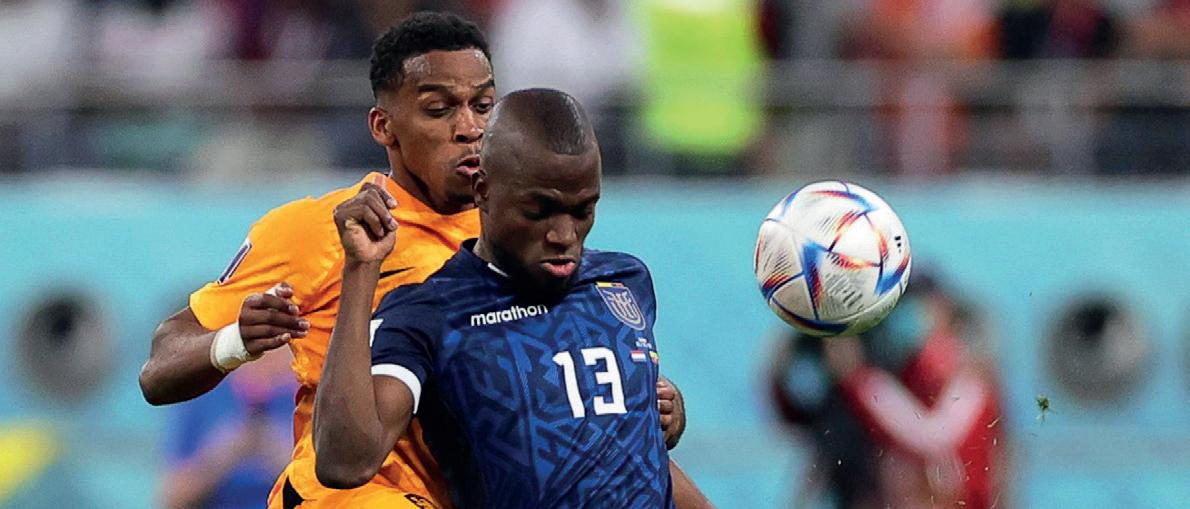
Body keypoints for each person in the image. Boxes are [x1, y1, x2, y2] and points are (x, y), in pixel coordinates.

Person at [138, 12, 692, 508]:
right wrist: (235, 340)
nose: (469, 128)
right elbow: (159, 370)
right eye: (438, 109)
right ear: (385, 127)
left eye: (483, 105)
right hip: (353, 494)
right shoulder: (321, 230)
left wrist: (639, 403)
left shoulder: (523, 231)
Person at [313, 88, 708, 508]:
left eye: (582, 211)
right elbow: (345, 462)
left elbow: (630, 451)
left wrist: (662, 408)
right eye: (539, 211)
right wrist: (360, 269)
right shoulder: (430, 313)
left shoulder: (624, 280)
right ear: (483, 190)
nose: (564, 236)